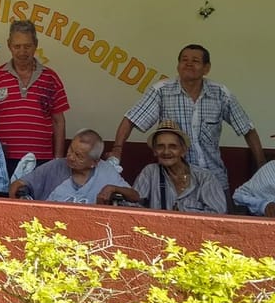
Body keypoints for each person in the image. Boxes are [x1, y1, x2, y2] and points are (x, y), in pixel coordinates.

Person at [112, 44, 265, 195]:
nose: (189, 64)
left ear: (206, 68)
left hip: (213, 178)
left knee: (222, 218)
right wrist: (117, 150)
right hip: (173, 180)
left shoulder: (220, 93)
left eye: (195, 61)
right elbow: (130, 120)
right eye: (184, 60)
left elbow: (247, 129)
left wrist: (261, 167)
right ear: (178, 66)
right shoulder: (161, 91)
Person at [0, 20, 69, 177]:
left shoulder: (51, 78)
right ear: (9, 45)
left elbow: (59, 121)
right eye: (17, 46)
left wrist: (57, 159)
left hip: (42, 161)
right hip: (3, 160)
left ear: (35, 44)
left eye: (27, 46)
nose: (22, 51)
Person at [8, 129, 138, 205]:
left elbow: (135, 196)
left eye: (78, 155)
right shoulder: (55, 166)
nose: (70, 157)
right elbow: (19, 184)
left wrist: (114, 188)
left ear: (94, 162)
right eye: (70, 149)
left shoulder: (106, 171)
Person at [133, 119, 226, 213]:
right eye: (160, 146)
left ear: (183, 150)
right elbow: (132, 204)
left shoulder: (205, 177)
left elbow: (217, 213)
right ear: (155, 151)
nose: (166, 152)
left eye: (173, 146)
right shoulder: (150, 172)